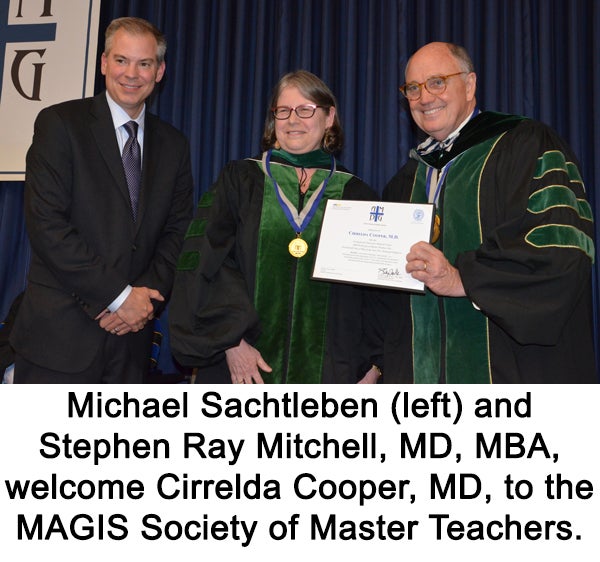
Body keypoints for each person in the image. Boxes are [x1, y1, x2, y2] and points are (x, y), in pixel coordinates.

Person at [382, 41, 596, 383]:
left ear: (469, 85)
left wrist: (460, 278)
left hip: (517, 383)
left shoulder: (527, 146)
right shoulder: (403, 182)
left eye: (437, 82)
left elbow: (561, 252)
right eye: (412, 88)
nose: (424, 97)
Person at [10, 17, 193, 383]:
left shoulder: (174, 144)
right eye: (122, 60)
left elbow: (179, 232)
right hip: (59, 340)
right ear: (103, 63)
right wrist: (118, 297)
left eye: (144, 63)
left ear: (160, 72)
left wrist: (141, 304)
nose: (132, 73)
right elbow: (48, 226)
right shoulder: (59, 124)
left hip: (132, 344)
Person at [170, 70, 382, 384]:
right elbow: (203, 264)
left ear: (329, 117)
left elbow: (374, 296)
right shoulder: (240, 181)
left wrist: (372, 368)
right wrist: (231, 341)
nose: (292, 119)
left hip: (332, 372)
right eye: (283, 111)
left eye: (305, 110)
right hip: (244, 365)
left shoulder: (355, 193)